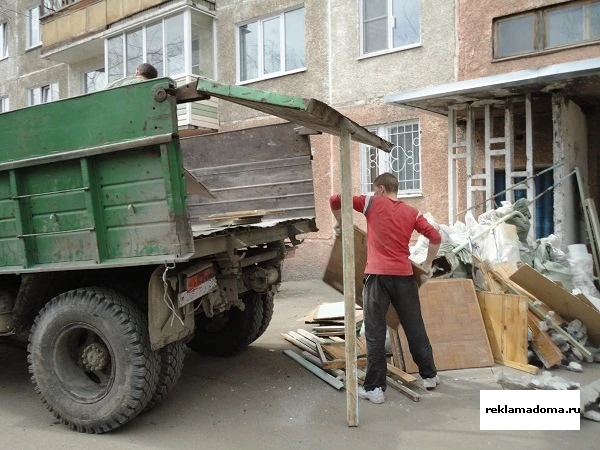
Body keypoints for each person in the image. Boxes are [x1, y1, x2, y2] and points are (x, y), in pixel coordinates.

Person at [329, 172, 442, 404]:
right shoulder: (411, 212)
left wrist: (341, 224)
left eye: (374, 188)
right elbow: (435, 236)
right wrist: (428, 263)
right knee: (414, 326)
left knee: (375, 332)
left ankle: (375, 389)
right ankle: (430, 376)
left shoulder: (371, 202)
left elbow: (335, 200)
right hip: (404, 277)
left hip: (377, 277)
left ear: (380, 189)